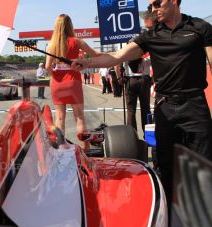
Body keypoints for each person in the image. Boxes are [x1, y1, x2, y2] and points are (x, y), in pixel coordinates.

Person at [72, 0, 212, 214]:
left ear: (174, 1)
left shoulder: (200, 27)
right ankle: (169, 216)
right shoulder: (150, 35)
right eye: (150, 5)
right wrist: (88, 63)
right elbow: (117, 56)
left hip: (195, 106)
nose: (153, 8)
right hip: (165, 108)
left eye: (157, 3)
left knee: (203, 166)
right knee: (165, 167)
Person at [45, 14, 101, 149]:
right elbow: (95, 55)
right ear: (70, 25)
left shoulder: (51, 45)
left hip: (57, 83)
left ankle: (60, 148)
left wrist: (56, 76)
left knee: (59, 117)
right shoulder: (77, 41)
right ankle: (86, 147)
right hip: (73, 81)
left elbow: (47, 67)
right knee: (80, 117)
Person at [124, 10, 156, 134]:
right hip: (144, 79)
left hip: (130, 79)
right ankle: (148, 133)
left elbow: (118, 63)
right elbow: (153, 60)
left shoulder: (127, 44)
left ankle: (131, 135)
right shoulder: (144, 40)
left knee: (131, 109)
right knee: (145, 108)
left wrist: (120, 76)